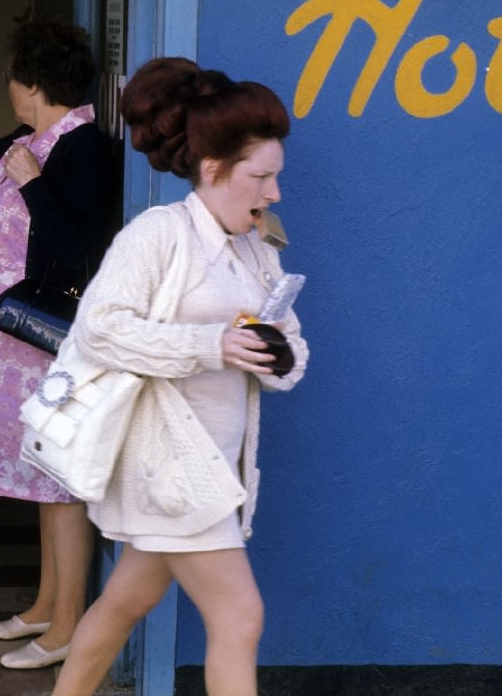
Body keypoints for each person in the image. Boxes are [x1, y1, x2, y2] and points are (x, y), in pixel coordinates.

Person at [51, 57, 309, 696]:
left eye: (276, 175)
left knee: (124, 601)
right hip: (171, 465)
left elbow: (292, 347)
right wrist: (211, 345)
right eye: (261, 176)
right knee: (239, 615)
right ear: (214, 169)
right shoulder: (158, 234)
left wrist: (277, 358)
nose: (274, 192)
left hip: (216, 463)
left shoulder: (258, 245)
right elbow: (100, 328)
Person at [0, 18, 117, 670]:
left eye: (13, 76)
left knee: (61, 481)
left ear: (34, 84)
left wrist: (35, 183)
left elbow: (79, 250)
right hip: (8, 338)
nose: (9, 86)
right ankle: (45, 604)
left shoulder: (81, 148)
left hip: (51, 344)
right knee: (42, 474)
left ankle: (68, 626)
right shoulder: (28, 137)